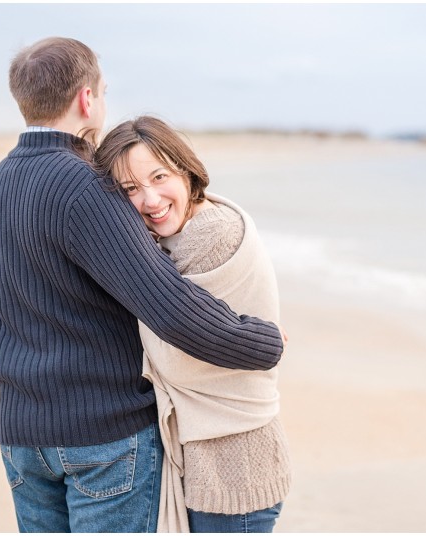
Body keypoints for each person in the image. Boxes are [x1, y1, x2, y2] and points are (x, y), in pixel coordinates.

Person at [0, 37, 284, 533]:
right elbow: (171, 308)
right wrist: (264, 340)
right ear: (87, 99)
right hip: (100, 435)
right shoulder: (83, 184)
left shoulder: (0, 180)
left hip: (21, 435)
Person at [93, 116, 292, 533]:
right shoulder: (166, 238)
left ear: (185, 170)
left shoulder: (210, 234)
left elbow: (176, 350)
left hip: (235, 467)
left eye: (159, 176)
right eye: (130, 189)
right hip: (206, 463)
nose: (150, 199)